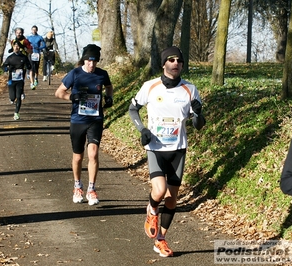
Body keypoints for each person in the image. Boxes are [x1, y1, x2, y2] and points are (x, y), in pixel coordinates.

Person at [128, 46, 205, 257]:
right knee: (159, 191)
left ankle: (160, 240)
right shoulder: (150, 86)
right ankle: (152, 209)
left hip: (178, 149)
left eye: (179, 60)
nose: (175, 63)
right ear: (163, 64)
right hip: (155, 147)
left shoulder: (190, 89)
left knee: (172, 199)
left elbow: (199, 124)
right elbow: (133, 108)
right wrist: (142, 129)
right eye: (171, 60)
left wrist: (198, 113)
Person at [54, 44, 114, 205]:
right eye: (89, 61)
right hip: (78, 121)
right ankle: (77, 186)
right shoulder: (74, 74)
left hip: (95, 120)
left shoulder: (102, 74)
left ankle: (92, 189)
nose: (91, 64)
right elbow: (59, 93)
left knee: (93, 154)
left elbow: (109, 87)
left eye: (94, 61)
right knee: (78, 156)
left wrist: (109, 97)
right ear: (84, 60)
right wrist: (71, 97)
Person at [1, 40, 31, 120]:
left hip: (20, 80)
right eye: (15, 46)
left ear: (20, 48)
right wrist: (6, 69)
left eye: (18, 46)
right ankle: (11, 99)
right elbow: (4, 66)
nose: (16, 47)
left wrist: (27, 67)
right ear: (13, 47)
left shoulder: (23, 57)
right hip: (11, 80)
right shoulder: (10, 57)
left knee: (18, 96)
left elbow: (29, 65)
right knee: (12, 97)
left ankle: (16, 113)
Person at [8, 27, 32, 100]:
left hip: (22, 61)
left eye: (20, 33)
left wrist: (25, 48)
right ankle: (13, 94)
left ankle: (21, 92)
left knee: (21, 79)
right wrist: (11, 50)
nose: (19, 34)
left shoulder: (25, 41)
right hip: (14, 62)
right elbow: (13, 49)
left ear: (22, 33)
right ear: (15, 33)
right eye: (17, 33)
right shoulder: (13, 41)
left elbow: (30, 51)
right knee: (12, 77)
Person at [27, 25, 46, 90]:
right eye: (33, 30)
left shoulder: (40, 37)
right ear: (31, 30)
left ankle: (36, 78)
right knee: (31, 68)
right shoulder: (28, 37)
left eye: (35, 30)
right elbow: (25, 45)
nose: (34, 31)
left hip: (37, 54)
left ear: (37, 30)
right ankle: (32, 83)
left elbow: (44, 45)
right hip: (31, 54)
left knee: (36, 68)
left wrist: (39, 48)